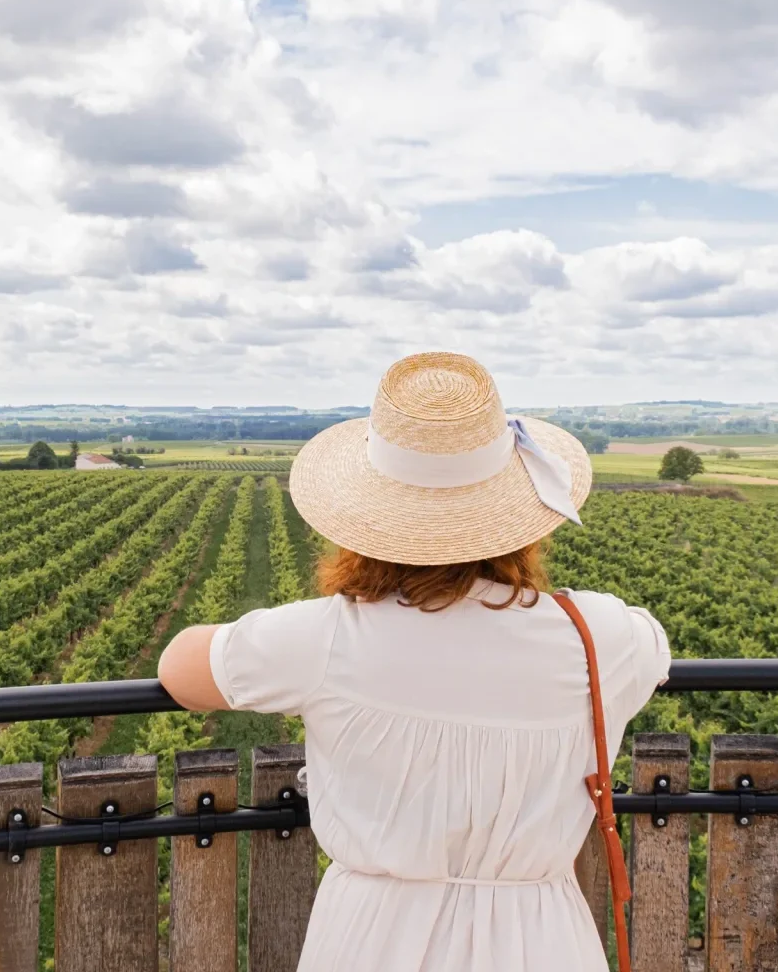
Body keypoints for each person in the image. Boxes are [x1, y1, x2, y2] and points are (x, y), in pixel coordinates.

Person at [158, 351, 671, 972]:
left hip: (372, 941)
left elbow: (179, 666)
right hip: (542, 939)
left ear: (365, 520)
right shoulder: (602, 635)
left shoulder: (328, 638)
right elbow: (654, 646)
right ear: (521, 518)